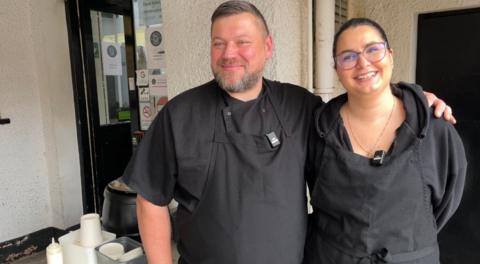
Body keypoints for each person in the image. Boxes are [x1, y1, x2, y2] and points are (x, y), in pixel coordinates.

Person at [123, 2, 454, 264]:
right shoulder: (180, 114)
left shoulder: (300, 105)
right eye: (218, 43)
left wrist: (409, 99)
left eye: (242, 42)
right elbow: (150, 200)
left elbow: (359, 104)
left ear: (268, 47)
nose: (229, 53)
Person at [304, 18, 467, 264]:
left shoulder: (435, 128)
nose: (362, 63)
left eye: (373, 50)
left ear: (390, 55)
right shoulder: (318, 131)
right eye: (348, 56)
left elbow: (445, 205)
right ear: (336, 69)